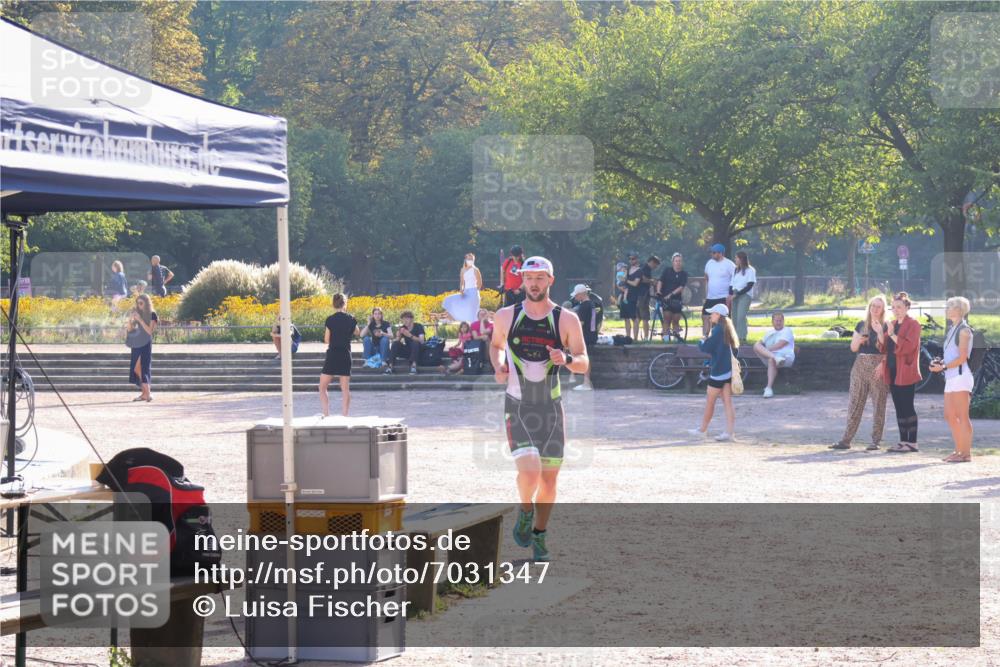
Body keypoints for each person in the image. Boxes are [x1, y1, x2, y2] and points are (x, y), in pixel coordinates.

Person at [490, 256, 589, 563]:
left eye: (539, 278)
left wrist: (567, 360)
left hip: (551, 410)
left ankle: (540, 534)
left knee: (548, 482)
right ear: (522, 281)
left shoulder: (566, 319)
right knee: (530, 472)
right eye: (529, 278)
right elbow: (496, 345)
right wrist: (499, 364)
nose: (533, 283)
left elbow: (583, 362)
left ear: (550, 281)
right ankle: (525, 509)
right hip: (518, 406)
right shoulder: (506, 316)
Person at [830, 295, 889, 450]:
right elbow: (853, 348)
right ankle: (846, 440)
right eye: (873, 306)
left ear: (883, 309)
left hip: (878, 365)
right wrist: (859, 341)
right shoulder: (861, 325)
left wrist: (879, 332)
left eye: (879, 306)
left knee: (879, 403)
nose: (875, 309)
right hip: (861, 364)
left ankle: (875, 441)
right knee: (855, 402)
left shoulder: (887, 325)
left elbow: (887, 349)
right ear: (869, 307)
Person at [929, 296, 974, 462]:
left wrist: (944, 367)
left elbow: (962, 357)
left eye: (950, 307)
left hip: (961, 377)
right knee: (949, 415)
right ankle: (958, 451)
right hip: (951, 377)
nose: (946, 309)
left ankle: (966, 454)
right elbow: (950, 355)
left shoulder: (964, 330)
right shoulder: (952, 329)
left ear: (959, 310)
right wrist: (939, 363)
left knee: (962, 416)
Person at [688, 303, 738, 441]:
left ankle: (702, 430)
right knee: (728, 402)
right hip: (727, 370)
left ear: (719, 315)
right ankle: (729, 433)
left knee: (710, 401)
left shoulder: (718, 330)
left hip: (719, 372)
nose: (711, 316)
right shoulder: (728, 328)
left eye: (713, 313)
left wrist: (701, 341)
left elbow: (706, 348)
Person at [883, 292, 922, 453]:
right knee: (899, 407)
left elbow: (907, 347)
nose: (896, 310)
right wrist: (881, 332)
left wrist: (891, 334)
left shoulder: (914, 324)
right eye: (893, 307)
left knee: (907, 406)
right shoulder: (892, 323)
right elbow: (883, 346)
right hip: (892, 370)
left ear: (907, 307)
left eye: (899, 307)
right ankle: (902, 441)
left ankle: (912, 442)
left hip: (905, 371)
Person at [319, 294, 359, 417]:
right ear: (345, 303)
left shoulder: (330, 319)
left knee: (322, 387)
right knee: (345, 389)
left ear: (333, 304)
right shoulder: (351, 319)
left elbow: (326, 339)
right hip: (345, 353)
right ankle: (344, 416)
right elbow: (357, 333)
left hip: (333, 354)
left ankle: (326, 414)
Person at [754, 312, 795, 398]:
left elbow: (780, 345)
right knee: (756, 345)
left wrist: (764, 350)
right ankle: (775, 358)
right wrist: (760, 347)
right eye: (776, 320)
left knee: (771, 360)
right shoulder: (769, 333)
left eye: (780, 320)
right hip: (773, 357)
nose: (778, 322)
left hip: (785, 358)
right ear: (772, 322)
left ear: (783, 321)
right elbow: (759, 344)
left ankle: (768, 388)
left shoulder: (787, 330)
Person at [126, 294, 158, 402]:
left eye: (141, 303)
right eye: (137, 303)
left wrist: (140, 320)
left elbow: (149, 331)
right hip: (136, 342)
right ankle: (145, 394)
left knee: (142, 368)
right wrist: (130, 319)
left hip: (145, 343)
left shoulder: (152, 314)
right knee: (136, 369)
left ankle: (147, 393)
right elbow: (130, 329)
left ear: (146, 303)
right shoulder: (138, 314)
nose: (139, 305)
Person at [570, 283, 600, 391]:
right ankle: (586, 382)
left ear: (582, 294)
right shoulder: (592, 304)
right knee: (586, 358)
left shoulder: (583, 306)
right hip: (592, 334)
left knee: (585, 358)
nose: (576, 297)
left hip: (586, 335)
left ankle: (586, 383)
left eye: (577, 295)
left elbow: (580, 324)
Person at [703, 243, 736, 337]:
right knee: (705, 316)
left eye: (714, 253)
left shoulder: (729, 264)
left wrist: (731, 294)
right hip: (710, 297)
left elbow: (735, 279)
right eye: (712, 252)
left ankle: (726, 337)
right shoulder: (709, 263)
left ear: (721, 253)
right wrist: (705, 295)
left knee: (722, 319)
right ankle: (705, 336)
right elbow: (706, 278)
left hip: (723, 297)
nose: (712, 254)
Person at [655, 253, 688, 341]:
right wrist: (658, 291)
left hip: (677, 300)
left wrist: (671, 295)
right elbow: (660, 281)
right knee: (667, 319)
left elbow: (681, 287)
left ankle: (676, 340)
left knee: (676, 321)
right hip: (666, 300)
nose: (678, 263)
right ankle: (666, 340)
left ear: (682, 262)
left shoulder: (684, 274)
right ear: (673, 262)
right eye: (676, 261)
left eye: (679, 261)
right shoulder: (667, 271)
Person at [443, 253, 483, 323]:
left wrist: (476, 290)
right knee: (449, 299)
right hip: (465, 292)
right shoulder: (463, 270)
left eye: (472, 259)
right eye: (469, 259)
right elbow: (462, 282)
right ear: (465, 259)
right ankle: (456, 320)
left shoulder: (475, 270)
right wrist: (461, 290)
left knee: (472, 312)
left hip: (473, 292)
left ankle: (473, 326)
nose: (470, 260)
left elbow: (480, 282)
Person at [729, 251, 756, 343]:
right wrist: (730, 294)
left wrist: (737, 294)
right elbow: (731, 284)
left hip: (745, 295)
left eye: (736, 258)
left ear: (741, 259)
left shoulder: (750, 270)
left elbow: (749, 285)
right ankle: (735, 337)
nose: (735, 259)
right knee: (735, 317)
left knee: (741, 316)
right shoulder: (735, 270)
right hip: (735, 293)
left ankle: (742, 337)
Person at [387, 311, 425, 375]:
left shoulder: (418, 326)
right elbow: (397, 341)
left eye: (406, 319)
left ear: (411, 319)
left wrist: (410, 335)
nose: (405, 321)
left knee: (415, 342)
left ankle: (414, 366)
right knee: (395, 343)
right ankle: (390, 366)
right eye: (403, 320)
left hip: (418, 351)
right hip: (408, 351)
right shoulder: (403, 328)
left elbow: (422, 341)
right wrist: (398, 336)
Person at [637, 255, 661, 340]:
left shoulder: (643, 267)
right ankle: (646, 337)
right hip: (643, 295)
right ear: (651, 262)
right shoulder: (645, 268)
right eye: (655, 265)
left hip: (640, 295)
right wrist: (651, 281)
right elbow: (642, 278)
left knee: (638, 317)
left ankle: (636, 337)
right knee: (645, 317)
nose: (655, 267)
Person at [622, 253, 643, 339]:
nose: (631, 260)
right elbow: (622, 281)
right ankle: (628, 337)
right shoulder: (628, 269)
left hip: (634, 296)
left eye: (633, 259)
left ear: (637, 259)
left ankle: (635, 338)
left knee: (635, 318)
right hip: (625, 296)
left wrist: (626, 280)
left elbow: (635, 283)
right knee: (626, 318)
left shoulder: (639, 271)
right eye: (630, 259)